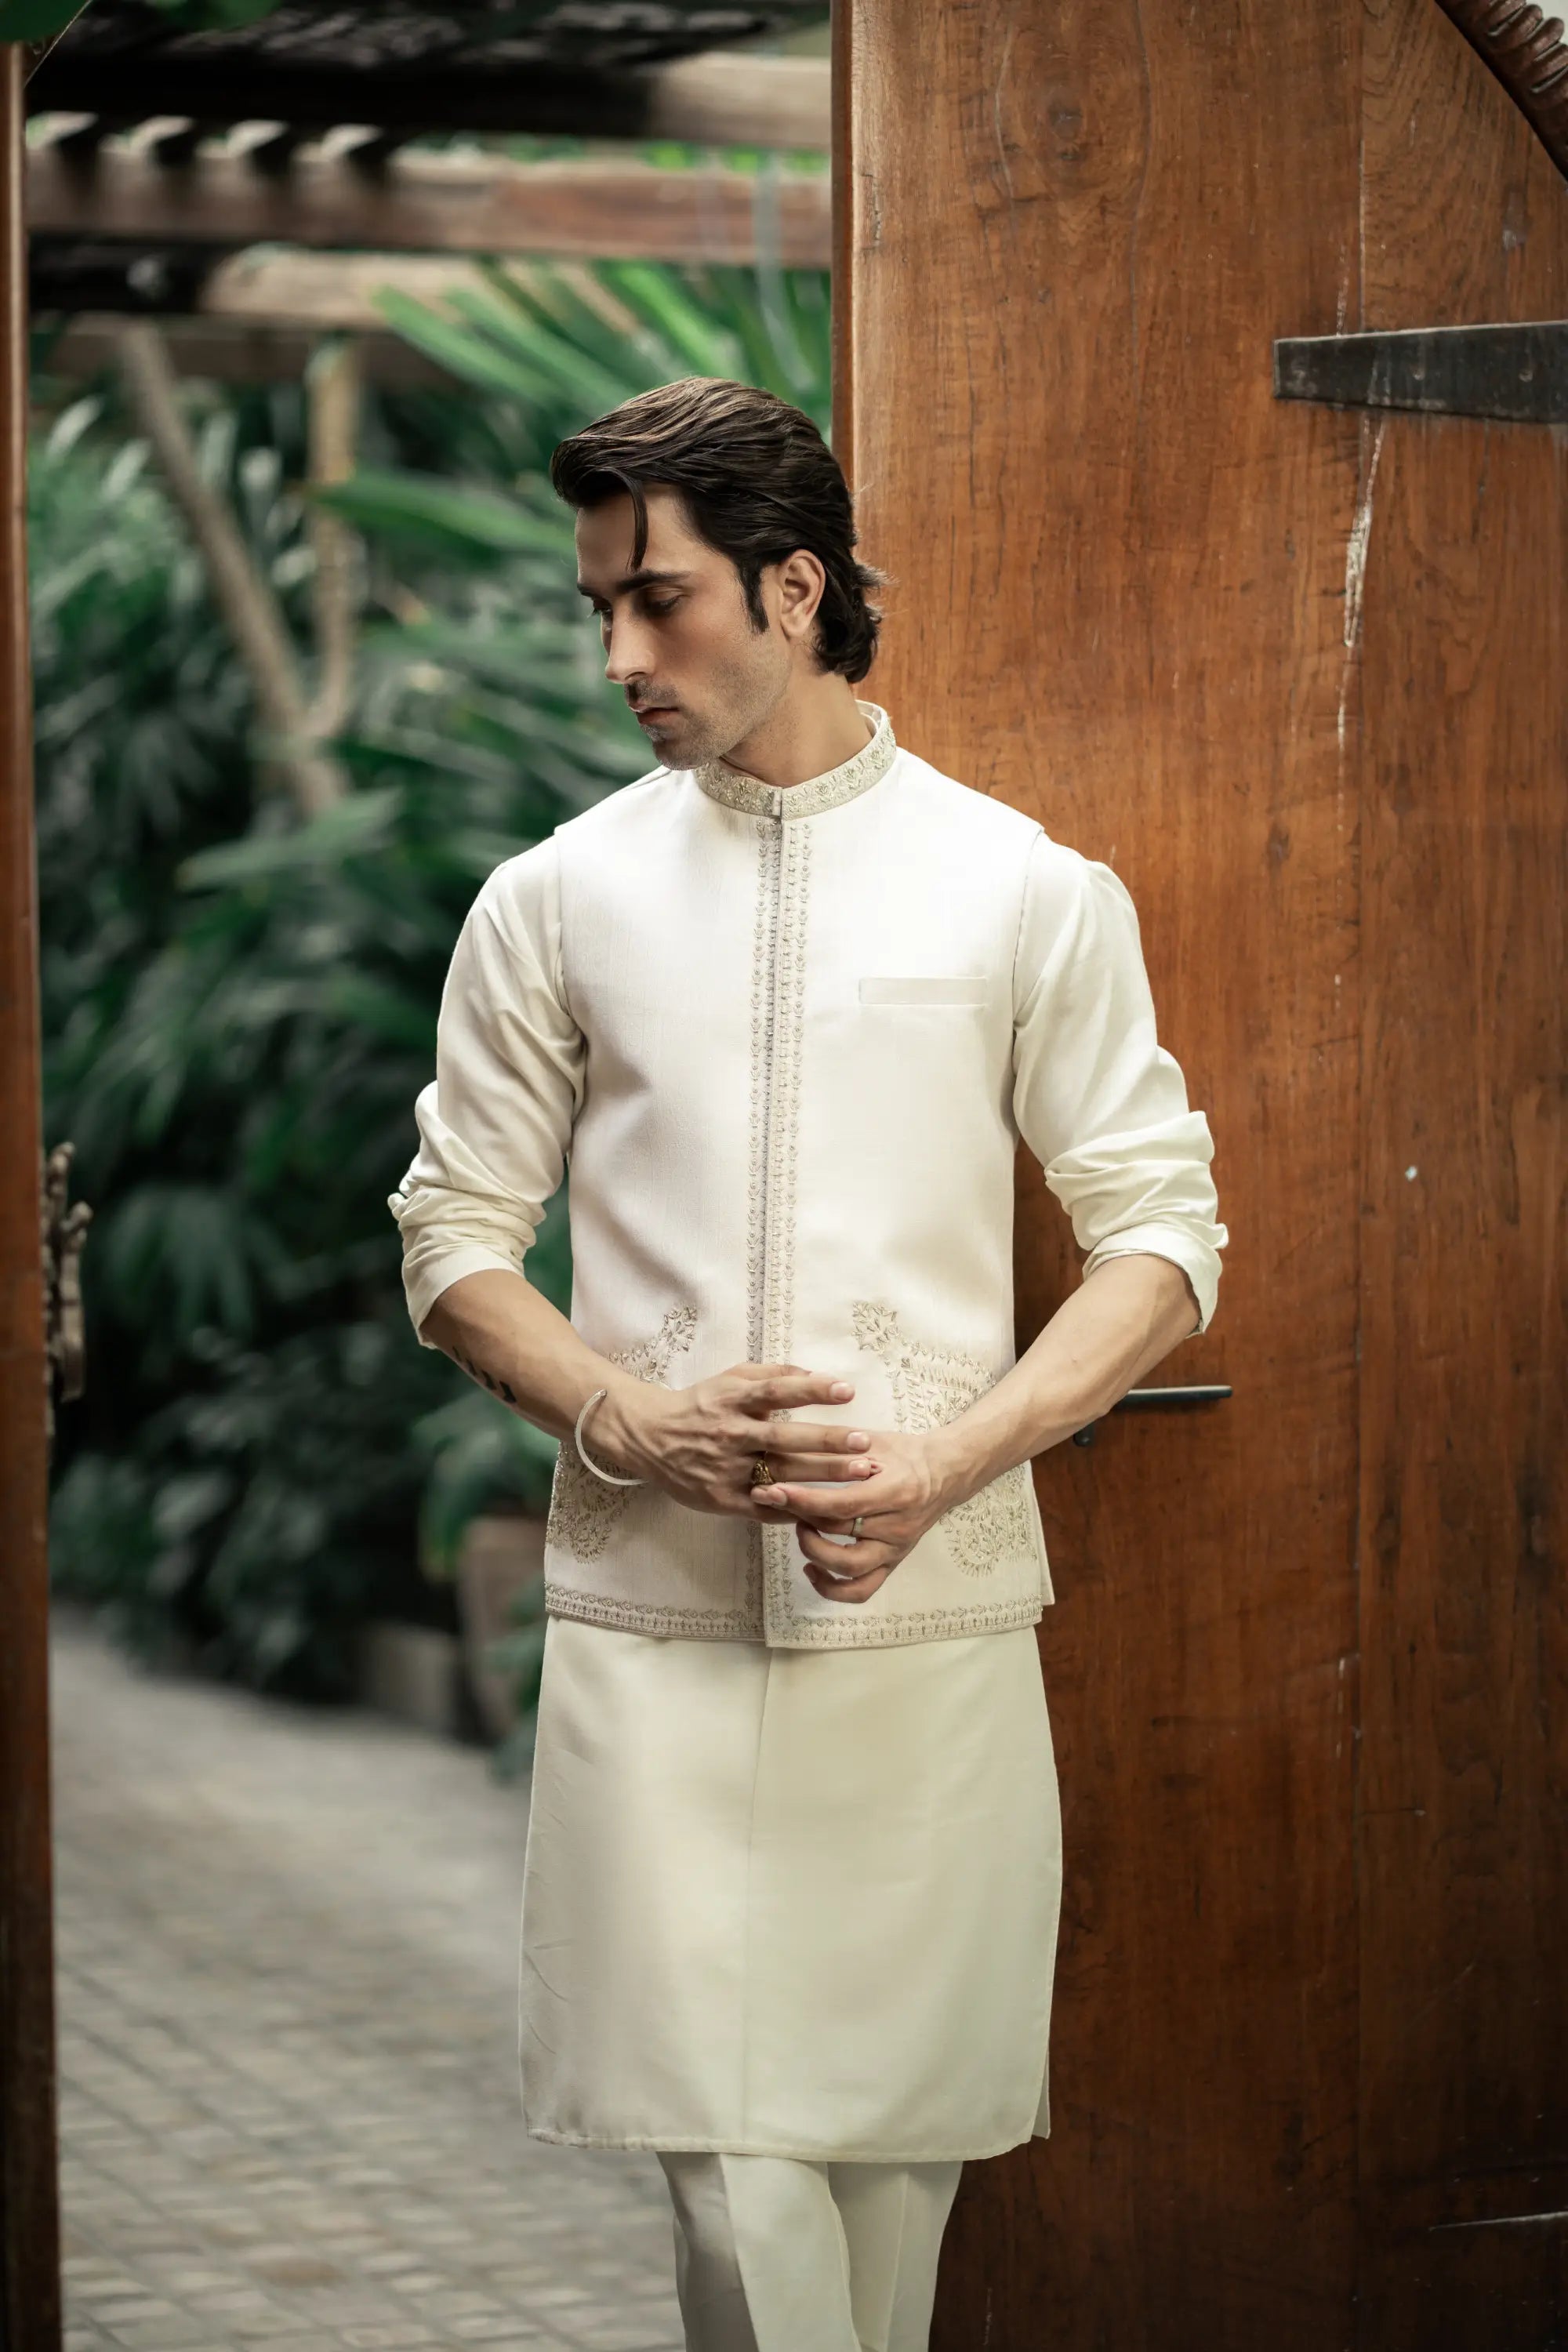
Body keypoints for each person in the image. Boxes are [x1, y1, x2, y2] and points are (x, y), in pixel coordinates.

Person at [389, 376, 1227, 2352]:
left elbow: (1161, 1239)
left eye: (656, 602)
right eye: (597, 604)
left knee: (888, 2171)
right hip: (653, 1636)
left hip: (922, 1639)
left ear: (794, 586)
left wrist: (955, 1458)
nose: (619, 656)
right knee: (736, 2181)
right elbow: (451, 1239)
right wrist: (625, 1412)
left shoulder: (1025, 889)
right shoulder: (554, 898)